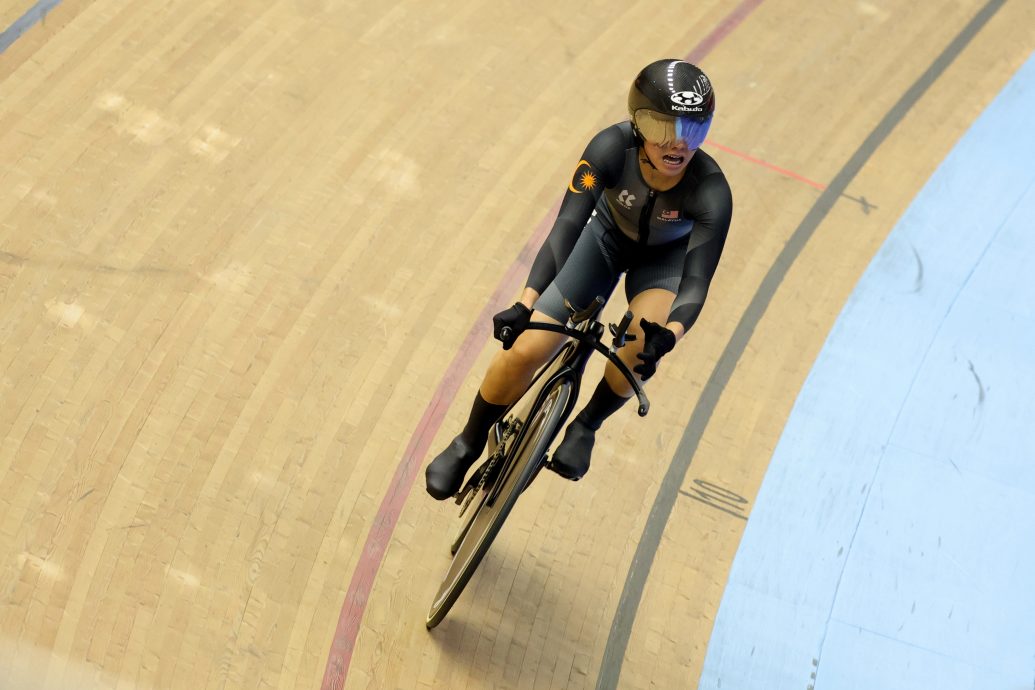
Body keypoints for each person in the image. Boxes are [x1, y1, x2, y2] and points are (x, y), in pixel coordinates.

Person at [425, 58, 733, 500]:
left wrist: (671, 335)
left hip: (662, 262)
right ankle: (467, 442)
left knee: (639, 349)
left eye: (694, 130)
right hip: (603, 239)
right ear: (639, 123)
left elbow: (697, 280)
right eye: (665, 128)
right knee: (526, 349)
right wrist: (525, 302)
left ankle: (587, 424)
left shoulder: (712, 191)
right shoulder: (609, 148)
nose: (679, 143)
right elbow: (567, 225)